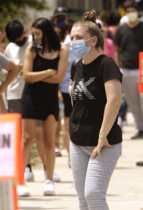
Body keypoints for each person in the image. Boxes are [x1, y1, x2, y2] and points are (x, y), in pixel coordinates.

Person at [69, 10, 123, 209]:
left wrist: (102, 136)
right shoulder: (76, 65)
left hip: (104, 142)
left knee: (93, 194)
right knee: (82, 200)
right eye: (72, 37)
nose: (74, 41)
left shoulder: (107, 65)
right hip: (77, 141)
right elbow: (74, 95)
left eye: (79, 38)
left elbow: (114, 101)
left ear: (93, 41)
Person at [18, 17, 68, 196]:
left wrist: (38, 76)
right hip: (30, 98)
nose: (35, 37)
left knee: (49, 141)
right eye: (33, 34)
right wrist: (47, 72)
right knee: (26, 139)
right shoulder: (31, 50)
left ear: (46, 32)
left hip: (50, 99)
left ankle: (49, 179)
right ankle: (21, 181)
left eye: (37, 33)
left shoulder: (62, 50)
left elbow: (60, 78)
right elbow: (27, 76)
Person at [114, 0, 143, 139]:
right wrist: (117, 66)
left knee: (142, 99)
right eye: (129, 11)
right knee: (132, 101)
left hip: (142, 68)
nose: (131, 13)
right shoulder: (122, 28)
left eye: (134, 10)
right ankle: (140, 128)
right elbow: (117, 50)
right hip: (126, 68)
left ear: (138, 12)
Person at [56, 20, 76, 165]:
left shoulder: (83, 47)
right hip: (65, 89)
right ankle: (71, 156)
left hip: (82, 88)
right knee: (68, 124)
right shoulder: (61, 49)